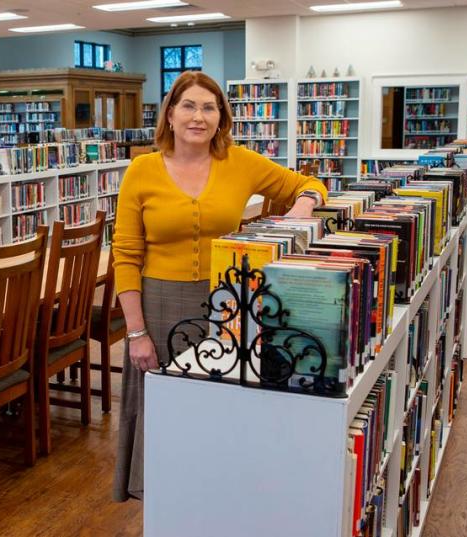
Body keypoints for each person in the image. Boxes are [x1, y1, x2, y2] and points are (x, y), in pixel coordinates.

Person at [111, 71, 328, 502]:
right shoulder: (142, 170)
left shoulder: (241, 162)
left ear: (221, 117)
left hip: (225, 303)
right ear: (170, 114)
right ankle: (164, 500)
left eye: (209, 107)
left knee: (219, 401)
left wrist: (303, 204)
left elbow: (309, 184)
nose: (199, 116)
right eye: (189, 106)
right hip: (158, 304)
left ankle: (214, 495)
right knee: (163, 405)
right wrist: (136, 332)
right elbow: (126, 255)